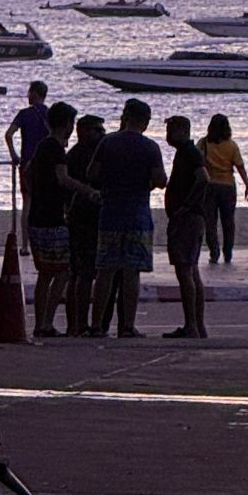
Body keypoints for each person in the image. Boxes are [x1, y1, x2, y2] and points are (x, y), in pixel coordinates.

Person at [90, 98, 167, 338]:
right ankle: (127, 325)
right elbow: (161, 180)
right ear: (145, 122)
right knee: (132, 271)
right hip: (137, 214)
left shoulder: (108, 142)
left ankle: (96, 326)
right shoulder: (150, 148)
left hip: (110, 211)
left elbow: (92, 173)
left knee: (105, 270)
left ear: (125, 117)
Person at [27, 100, 79, 338]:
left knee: (45, 273)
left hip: (37, 215)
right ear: (67, 124)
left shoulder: (41, 147)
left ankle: (41, 322)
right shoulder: (56, 149)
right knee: (61, 271)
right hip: (52, 218)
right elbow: (62, 178)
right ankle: (46, 321)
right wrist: (86, 190)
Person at [162, 116, 210, 339]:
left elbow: (203, 178)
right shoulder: (185, 153)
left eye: (171, 130)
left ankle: (192, 324)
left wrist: (185, 205)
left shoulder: (190, 153)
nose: (168, 135)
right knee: (191, 270)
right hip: (189, 218)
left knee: (185, 271)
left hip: (188, 219)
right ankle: (196, 325)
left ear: (183, 130)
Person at [64, 113, 106, 337]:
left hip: (92, 218)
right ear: (83, 131)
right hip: (82, 218)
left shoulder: (95, 153)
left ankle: (79, 323)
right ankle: (78, 323)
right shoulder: (78, 155)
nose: (101, 134)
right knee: (82, 273)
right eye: (96, 130)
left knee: (84, 273)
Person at [3, 80, 49, 255]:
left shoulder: (24, 114)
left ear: (35, 94)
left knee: (27, 203)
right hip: (45, 163)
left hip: (28, 163)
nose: (27, 96)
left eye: (29, 92)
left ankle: (25, 245)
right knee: (45, 202)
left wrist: (14, 155)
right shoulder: (50, 114)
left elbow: (8, 135)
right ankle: (44, 242)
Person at [199, 114, 248, 265]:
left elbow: (196, 162)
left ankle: (214, 252)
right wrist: (247, 185)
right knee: (228, 222)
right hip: (228, 186)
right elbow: (240, 166)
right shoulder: (232, 145)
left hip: (209, 186)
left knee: (210, 221)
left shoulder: (203, 143)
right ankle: (228, 251)